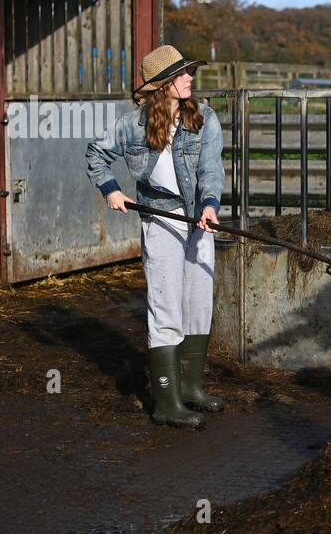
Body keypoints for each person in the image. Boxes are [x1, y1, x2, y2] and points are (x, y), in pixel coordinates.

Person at [85, 45, 226, 429]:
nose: (190, 79)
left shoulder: (205, 119)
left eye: (189, 73)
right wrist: (112, 190)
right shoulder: (131, 125)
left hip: (199, 218)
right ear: (163, 85)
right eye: (182, 74)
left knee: (198, 300)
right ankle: (166, 402)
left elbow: (212, 169)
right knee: (166, 305)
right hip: (158, 217)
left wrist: (210, 205)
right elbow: (96, 154)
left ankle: (191, 389)